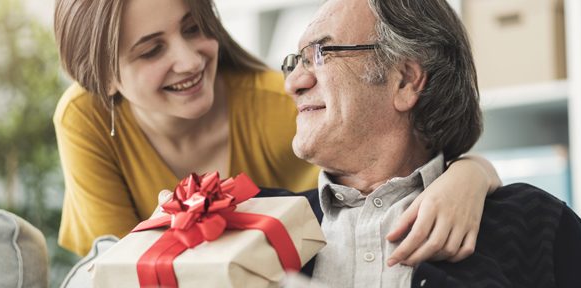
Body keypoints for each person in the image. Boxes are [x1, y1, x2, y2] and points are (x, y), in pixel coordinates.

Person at [52, 0, 501, 262]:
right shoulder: (85, 119)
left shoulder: (284, 102)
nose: (188, 60)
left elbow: (408, 150)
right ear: (103, 77)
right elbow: (113, 268)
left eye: (194, 29)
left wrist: (470, 174)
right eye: (151, 51)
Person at [276, 0, 581, 286]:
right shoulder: (258, 222)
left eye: (321, 54)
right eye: (295, 62)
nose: (294, 83)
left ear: (405, 80)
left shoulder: (531, 222)